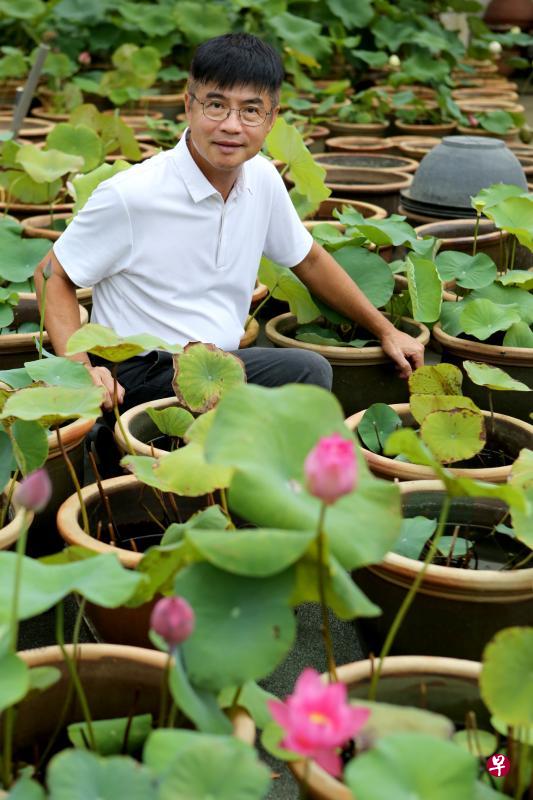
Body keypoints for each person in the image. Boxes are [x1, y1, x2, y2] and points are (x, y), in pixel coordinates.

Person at [34, 33, 424, 416]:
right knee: (306, 370)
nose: (232, 125)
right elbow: (52, 273)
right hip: (141, 373)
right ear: (188, 105)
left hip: (219, 366)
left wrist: (386, 329)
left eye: (251, 110)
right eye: (216, 105)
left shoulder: (264, 179)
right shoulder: (132, 194)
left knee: (301, 378)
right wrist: (83, 371)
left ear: (271, 119)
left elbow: (310, 261)